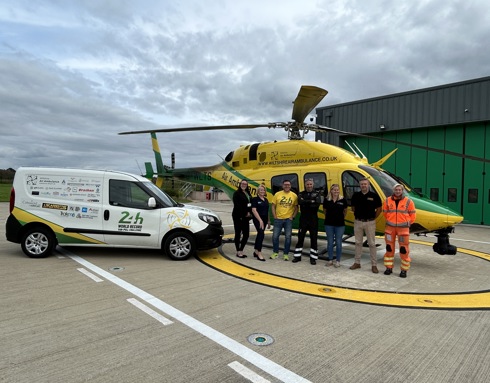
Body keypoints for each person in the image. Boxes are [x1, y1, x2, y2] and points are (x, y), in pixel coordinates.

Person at [383, 184, 417, 278]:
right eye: (396, 190)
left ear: (402, 191)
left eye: (399, 190)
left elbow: (413, 215)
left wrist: (407, 223)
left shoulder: (409, 202)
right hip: (390, 228)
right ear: (393, 190)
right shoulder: (387, 200)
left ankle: (404, 270)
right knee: (389, 248)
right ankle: (388, 268)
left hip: (403, 229)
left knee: (404, 250)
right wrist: (391, 220)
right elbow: (385, 213)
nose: (398, 191)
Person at [350, 178, 382, 273]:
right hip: (358, 222)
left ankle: (374, 265)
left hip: (370, 222)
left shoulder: (374, 196)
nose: (363, 186)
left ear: (368, 185)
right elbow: (353, 208)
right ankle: (357, 263)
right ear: (359, 185)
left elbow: (379, 209)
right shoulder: (356, 195)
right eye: (362, 184)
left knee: (372, 244)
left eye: (365, 184)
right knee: (358, 243)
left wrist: (372, 218)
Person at [292, 179, 321, 265]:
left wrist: (306, 202)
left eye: (310, 184)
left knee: (314, 238)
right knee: (300, 238)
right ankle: (297, 256)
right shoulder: (301, 194)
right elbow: (300, 202)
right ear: (305, 185)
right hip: (303, 219)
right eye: (307, 184)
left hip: (313, 219)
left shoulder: (317, 194)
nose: (309, 186)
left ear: (313, 185)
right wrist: (311, 201)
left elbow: (317, 204)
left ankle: (313, 258)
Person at [271, 180, 298, 261]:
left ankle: (286, 254)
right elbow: (273, 206)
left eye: (288, 185)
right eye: (285, 185)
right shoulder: (277, 194)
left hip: (288, 220)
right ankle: (275, 252)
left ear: (290, 186)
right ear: (282, 186)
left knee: (288, 237)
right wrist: (275, 216)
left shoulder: (294, 195)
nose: (287, 186)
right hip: (278, 219)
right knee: (275, 237)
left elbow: (296, 207)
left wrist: (293, 216)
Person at [323, 184, 348, 267]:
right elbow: (325, 210)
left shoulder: (343, 200)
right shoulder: (327, 200)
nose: (336, 191)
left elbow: (345, 211)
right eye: (334, 190)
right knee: (330, 242)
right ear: (331, 191)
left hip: (340, 225)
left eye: (337, 190)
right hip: (329, 224)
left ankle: (338, 260)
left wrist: (341, 218)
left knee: (338, 242)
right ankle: (330, 260)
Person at [232, 179, 252, 258]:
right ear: (240, 184)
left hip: (246, 217)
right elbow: (237, 205)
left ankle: (241, 249)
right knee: (238, 233)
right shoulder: (236, 193)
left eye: (245, 184)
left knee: (246, 234)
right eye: (242, 184)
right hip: (238, 216)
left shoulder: (248, 193)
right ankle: (238, 251)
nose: (244, 185)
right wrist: (244, 213)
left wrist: (249, 212)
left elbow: (249, 204)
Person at [251, 184, 270, 261]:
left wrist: (268, 221)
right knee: (261, 234)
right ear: (258, 191)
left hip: (265, 219)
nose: (262, 191)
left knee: (260, 234)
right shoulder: (255, 199)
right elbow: (254, 210)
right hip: (258, 219)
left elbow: (267, 211)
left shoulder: (266, 200)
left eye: (263, 190)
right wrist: (260, 220)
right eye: (261, 190)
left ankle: (255, 251)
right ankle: (259, 252)